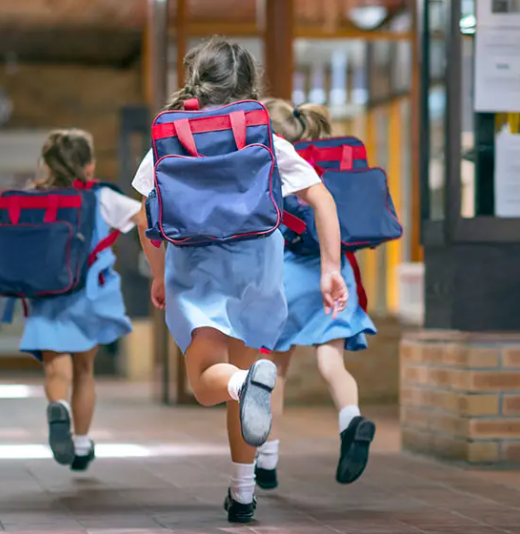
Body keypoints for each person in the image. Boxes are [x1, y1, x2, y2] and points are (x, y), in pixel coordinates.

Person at [132, 38, 348, 523]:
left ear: (196, 78)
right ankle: (243, 492)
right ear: (249, 81)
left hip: (196, 269)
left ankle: (242, 384)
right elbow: (322, 199)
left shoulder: (170, 136)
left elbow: (145, 215)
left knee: (209, 381)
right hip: (258, 269)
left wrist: (160, 272)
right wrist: (331, 268)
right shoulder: (265, 136)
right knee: (247, 385)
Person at [256, 98, 378, 490]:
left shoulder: (275, 162)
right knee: (331, 362)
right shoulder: (327, 164)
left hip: (289, 274)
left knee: (276, 370)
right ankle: (351, 419)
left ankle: (267, 460)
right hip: (335, 271)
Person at [19, 129, 142, 472]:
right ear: (88, 166)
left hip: (47, 294)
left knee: (56, 366)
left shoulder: (33, 197)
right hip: (90, 294)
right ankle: (83, 443)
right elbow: (145, 219)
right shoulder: (102, 197)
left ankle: (58, 405)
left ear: (49, 164)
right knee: (85, 369)